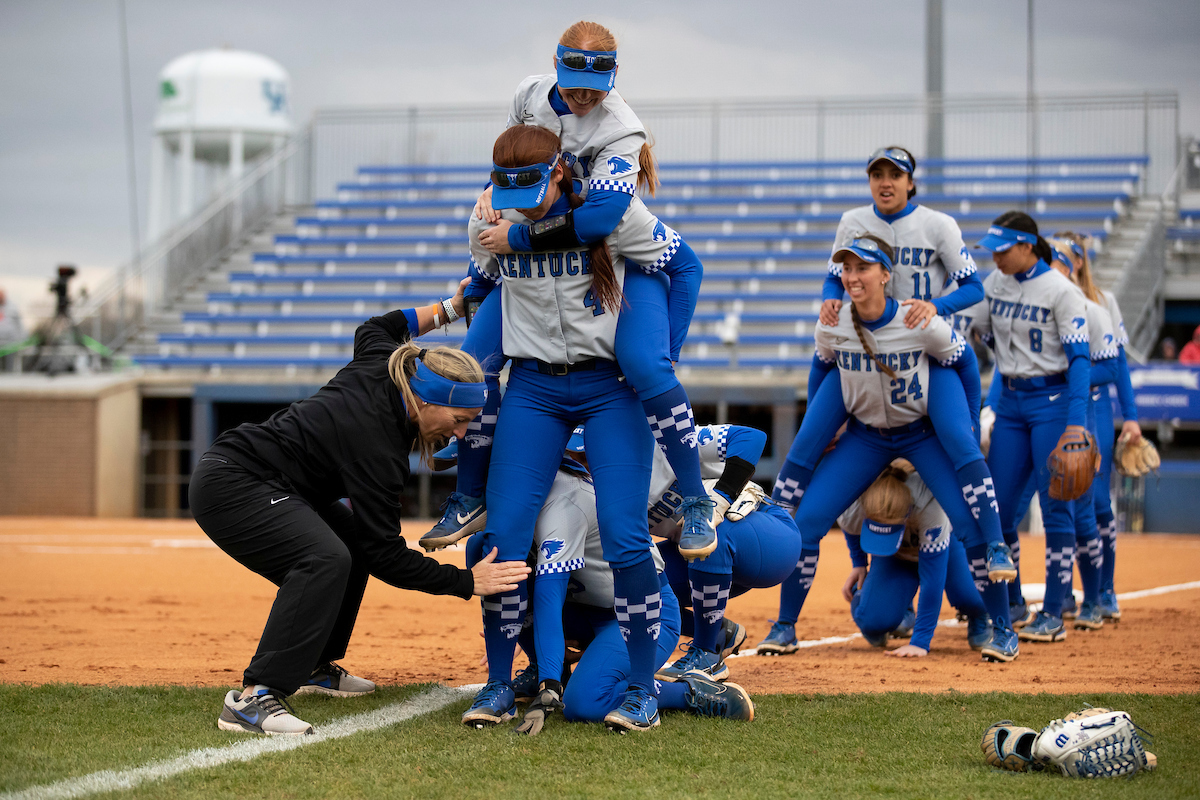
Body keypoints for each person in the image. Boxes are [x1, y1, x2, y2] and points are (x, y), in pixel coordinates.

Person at [425, 20, 715, 561]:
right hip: (541, 272)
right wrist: (487, 247)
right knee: (472, 364)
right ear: (554, 67)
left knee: (646, 366)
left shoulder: (621, 134)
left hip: (609, 252)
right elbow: (514, 158)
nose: (582, 98)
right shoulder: (527, 97)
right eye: (573, 85)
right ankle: (468, 490)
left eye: (594, 88)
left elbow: (603, 220)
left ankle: (697, 498)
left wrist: (514, 238)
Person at [189, 285, 530, 736]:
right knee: (324, 558)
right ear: (426, 400)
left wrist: (449, 308)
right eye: (458, 420)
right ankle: (254, 698)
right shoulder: (378, 448)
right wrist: (466, 582)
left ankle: (314, 664)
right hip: (233, 482)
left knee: (347, 544)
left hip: (274, 481)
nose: (462, 435)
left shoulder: (386, 362)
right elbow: (385, 555)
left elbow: (377, 326)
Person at [457, 125, 703, 734]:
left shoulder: (612, 215)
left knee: (625, 536)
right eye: (508, 189)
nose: (520, 202)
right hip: (534, 388)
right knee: (503, 535)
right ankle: (497, 683)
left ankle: (645, 688)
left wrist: (664, 351)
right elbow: (482, 287)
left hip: (607, 387)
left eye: (532, 188)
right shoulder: (489, 216)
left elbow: (685, 266)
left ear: (561, 171)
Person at [760, 234, 1019, 663]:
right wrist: (825, 426)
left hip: (920, 434)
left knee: (969, 527)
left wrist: (970, 420)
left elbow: (965, 362)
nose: (853, 277)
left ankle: (1002, 625)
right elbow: (822, 366)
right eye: (847, 268)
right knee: (806, 523)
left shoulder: (918, 320)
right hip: (866, 437)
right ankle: (785, 625)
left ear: (885, 275)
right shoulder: (833, 321)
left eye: (863, 268)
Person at [464, 454, 752, 736]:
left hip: (642, 615)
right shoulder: (529, 493)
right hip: (584, 608)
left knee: (584, 703)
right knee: (483, 549)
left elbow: (548, 598)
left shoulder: (564, 502)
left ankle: (687, 691)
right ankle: (538, 671)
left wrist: (548, 688)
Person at [969, 211, 1092, 646]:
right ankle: (1014, 602)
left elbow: (1080, 361)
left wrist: (1076, 423)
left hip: (1052, 401)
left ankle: (1055, 612)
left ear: (1027, 246)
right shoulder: (994, 283)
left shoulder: (1061, 290)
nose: (996, 257)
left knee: (1056, 507)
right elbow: (978, 330)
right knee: (997, 510)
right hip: (1011, 402)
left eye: (1003, 250)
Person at [646, 422, 803, 681]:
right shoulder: (598, 490)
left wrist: (718, 501)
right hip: (701, 561)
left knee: (705, 531)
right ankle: (719, 633)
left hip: (767, 536)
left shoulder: (662, 442)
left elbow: (750, 437)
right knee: (627, 584)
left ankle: (706, 654)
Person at [840, 463, 993, 657]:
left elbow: (933, 579)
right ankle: (899, 606)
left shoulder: (929, 505)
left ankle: (978, 615)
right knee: (873, 623)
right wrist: (859, 564)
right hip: (896, 556)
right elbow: (850, 525)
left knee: (973, 597)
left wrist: (920, 642)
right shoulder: (857, 502)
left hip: (944, 549)